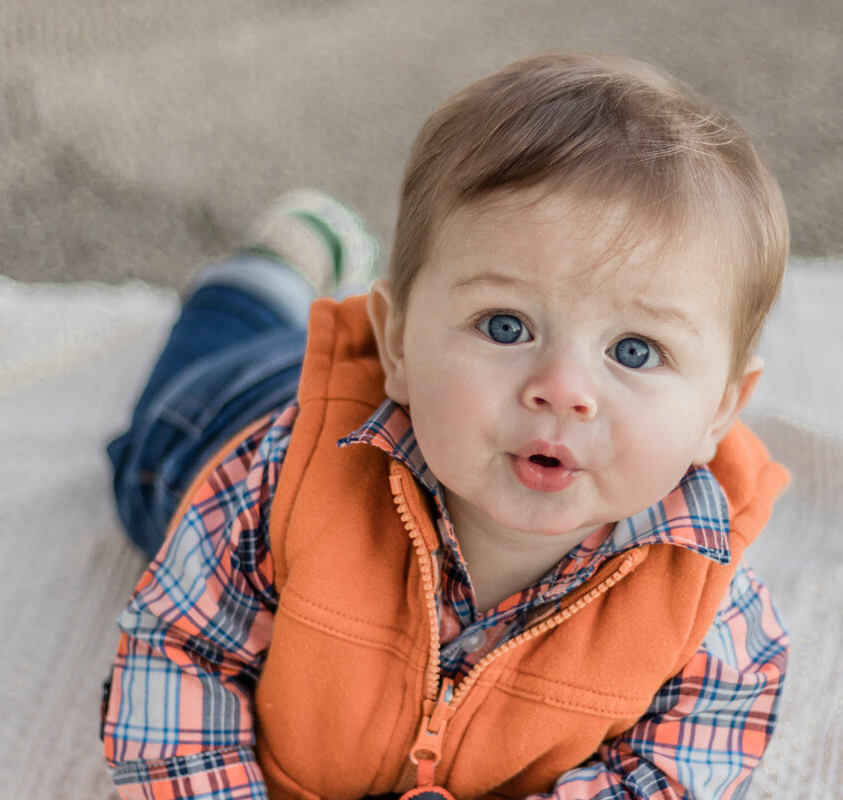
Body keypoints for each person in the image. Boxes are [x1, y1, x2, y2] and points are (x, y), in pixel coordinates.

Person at [100, 51, 792, 800]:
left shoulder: (708, 607)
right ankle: (273, 267)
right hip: (231, 419)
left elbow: (669, 775)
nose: (562, 391)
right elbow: (179, 654)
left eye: (635, 351)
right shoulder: (272, 485)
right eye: (505, 325)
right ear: (396, 342)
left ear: (722, 409)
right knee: (195, 381)